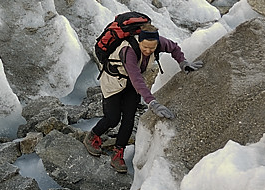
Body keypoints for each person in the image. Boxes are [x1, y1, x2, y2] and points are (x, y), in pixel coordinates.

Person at [84, 24, 203, 173]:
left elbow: (174, 47)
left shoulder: (157, 43)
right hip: (114, 82)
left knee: (129, 118)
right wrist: (152, 102)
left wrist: (183, 62)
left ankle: (118, 153)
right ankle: (92, 136)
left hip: (130, 86)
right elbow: (137, 79)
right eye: (145, 47)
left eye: (152, 48)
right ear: (139, 41)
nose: (148, 51)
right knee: (112, 118)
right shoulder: (128, 51)